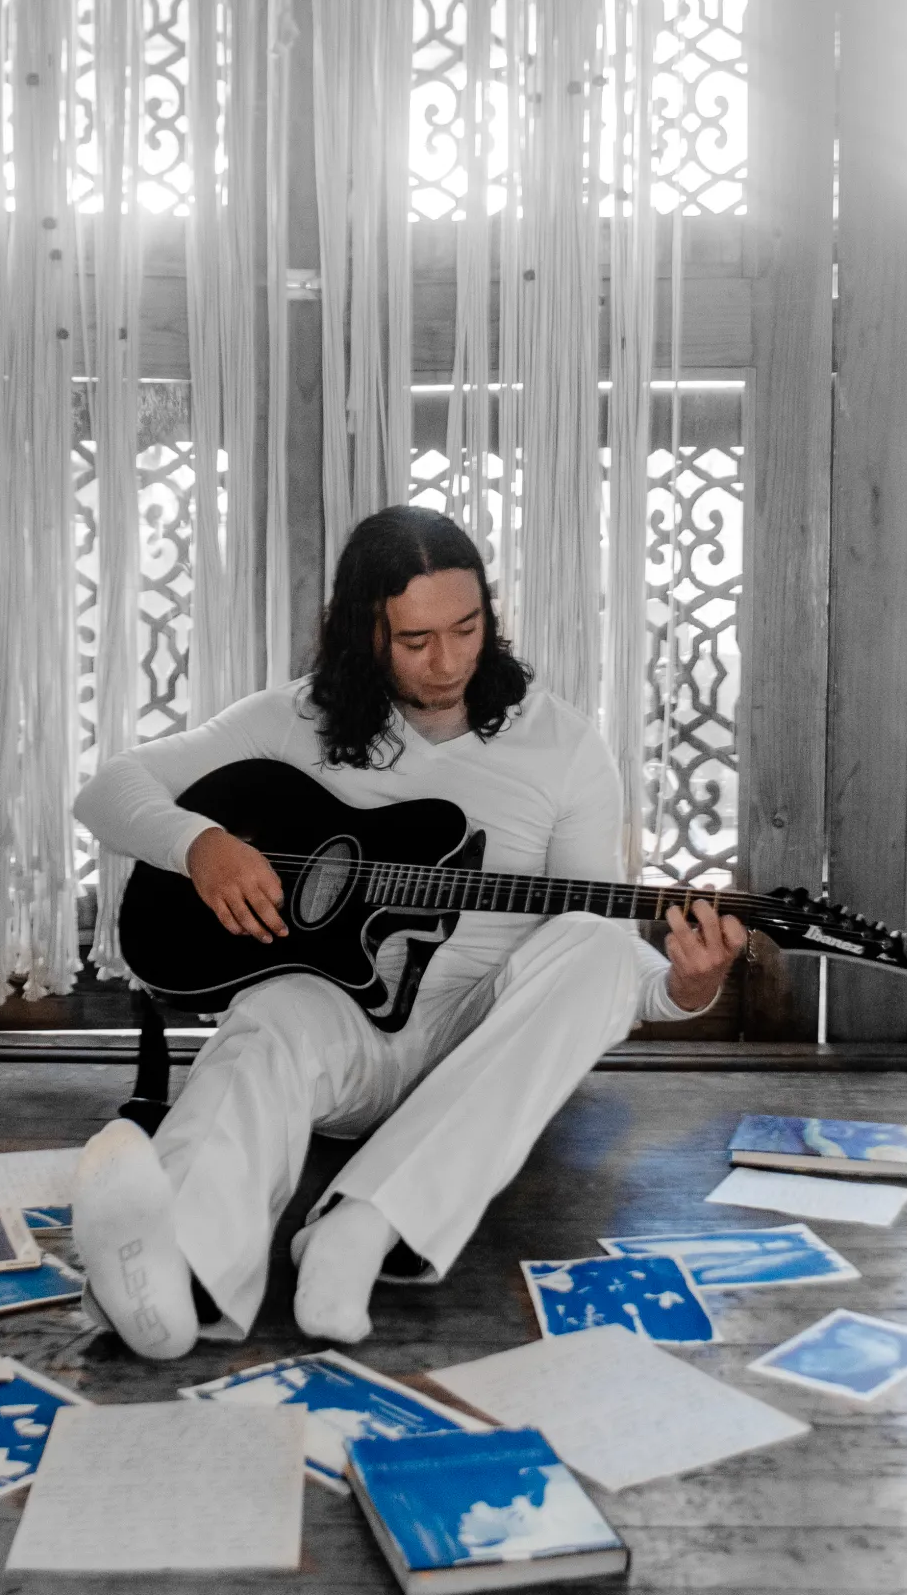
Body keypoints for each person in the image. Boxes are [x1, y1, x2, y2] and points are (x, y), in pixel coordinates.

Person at [70, 505, 749, 1358]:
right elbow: (108, 789)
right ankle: (177, 1274)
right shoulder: (293, 720)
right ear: (364, 633)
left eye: (467, 628)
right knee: (270, 1016)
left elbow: (599, 979)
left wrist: (687, 987)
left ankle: (362, 1227)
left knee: (605, 940)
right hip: (351, 1036)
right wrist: (199, 845)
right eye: (416, 640)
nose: (449, 661)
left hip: (485, 1050)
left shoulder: (565, 746)